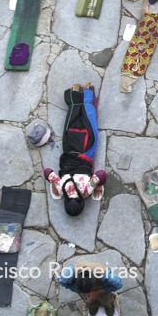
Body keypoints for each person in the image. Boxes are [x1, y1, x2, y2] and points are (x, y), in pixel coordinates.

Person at [44, 84, 107, 217]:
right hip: (69, 152)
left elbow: (101, 174)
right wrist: (54, 183)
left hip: (85, 155)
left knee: (90, 129)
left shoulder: (86, 191)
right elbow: (47, 171)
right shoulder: (62, 189)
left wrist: (98, 184)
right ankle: (74, 94)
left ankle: (87, 94)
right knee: (72, 128)